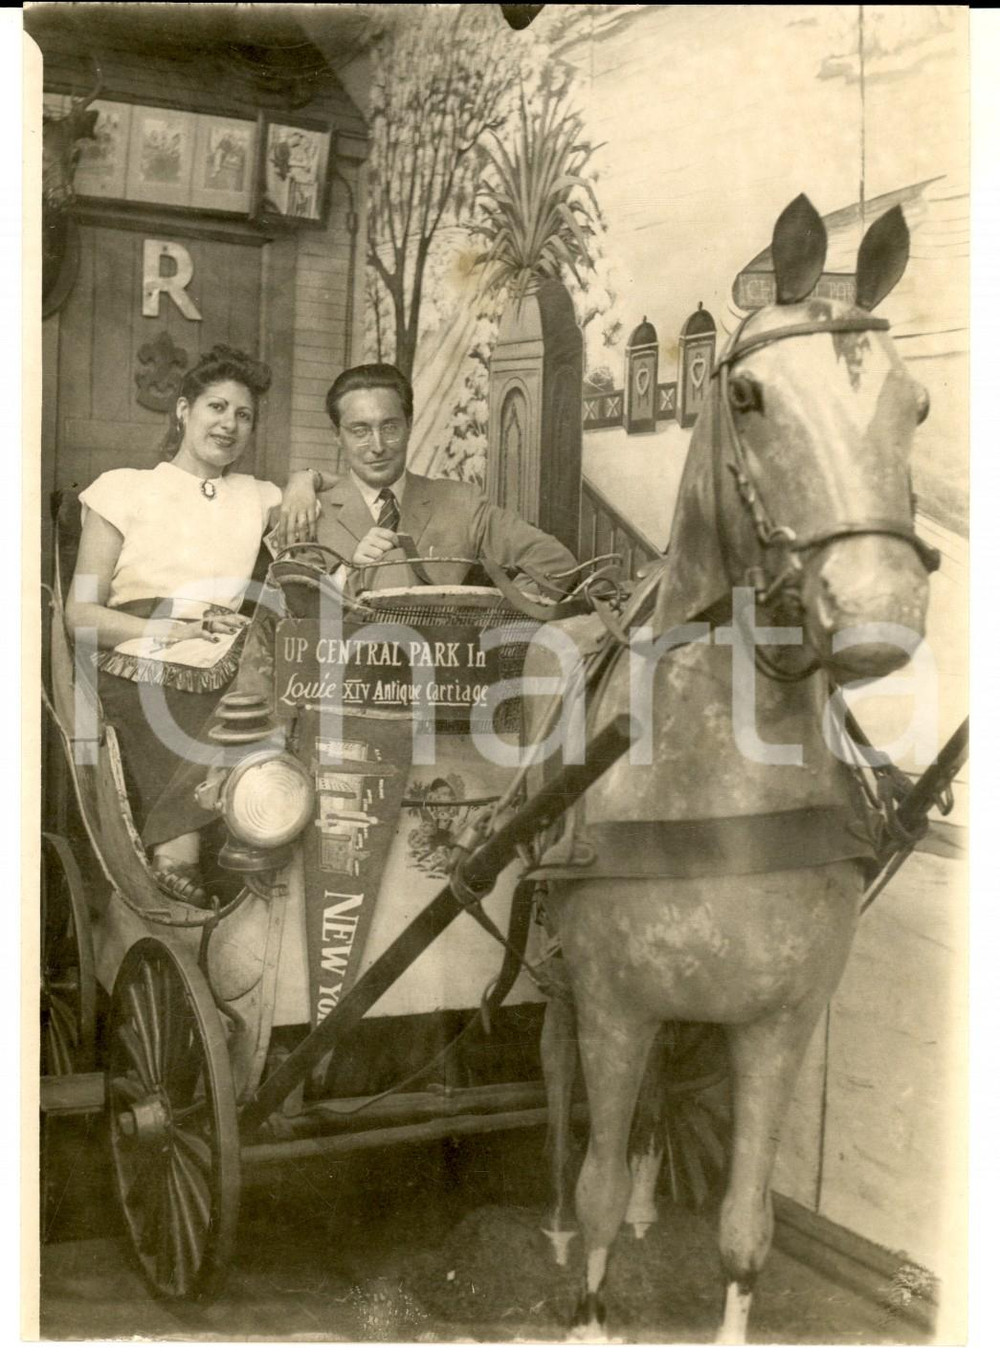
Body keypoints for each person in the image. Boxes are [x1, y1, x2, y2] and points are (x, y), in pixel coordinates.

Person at [65, 344, 321, 906]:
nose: (229, 425)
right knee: (218, 694)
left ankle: (264, 833)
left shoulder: (257, 497)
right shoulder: (123, 487)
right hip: (134, 644)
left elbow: (328, 500)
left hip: (224, 648)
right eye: (216, 407)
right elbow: (79, 613)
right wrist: (165, 634)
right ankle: (178, 844)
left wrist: (302, 480)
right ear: (184, 410)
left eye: (244, 415)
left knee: (279, 694)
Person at [280, 362, 577, 594]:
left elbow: (555, 562)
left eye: (390, 427)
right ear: (337, 436)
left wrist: (498, 617)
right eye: (360, 431)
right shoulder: (308, 512)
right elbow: (295, 616)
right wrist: (350, 573)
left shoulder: (462, 503)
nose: (378, 446)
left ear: (409, 425)